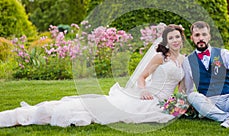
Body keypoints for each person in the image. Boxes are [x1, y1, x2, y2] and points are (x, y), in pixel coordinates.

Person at [0, 24, 186, 128]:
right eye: (171, 38)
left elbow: (181, 87)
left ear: (182, 39)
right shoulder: (160, 57)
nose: (175, 40)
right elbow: (142, 77)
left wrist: (181, 102)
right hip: (148, 97)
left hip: (165, 102)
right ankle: (35, 114)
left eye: (177, 37)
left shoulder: (183, 60)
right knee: (109, 110)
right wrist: (143, 90)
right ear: (166, 41)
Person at [182, 21, 229, 128]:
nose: (201, 38)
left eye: (204, 34)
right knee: (192, 96)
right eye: (197, 35)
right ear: (192, 38)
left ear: (209, 36)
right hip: (209, 103)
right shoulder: (187, 61)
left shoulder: (223, 53)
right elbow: (188, 89)